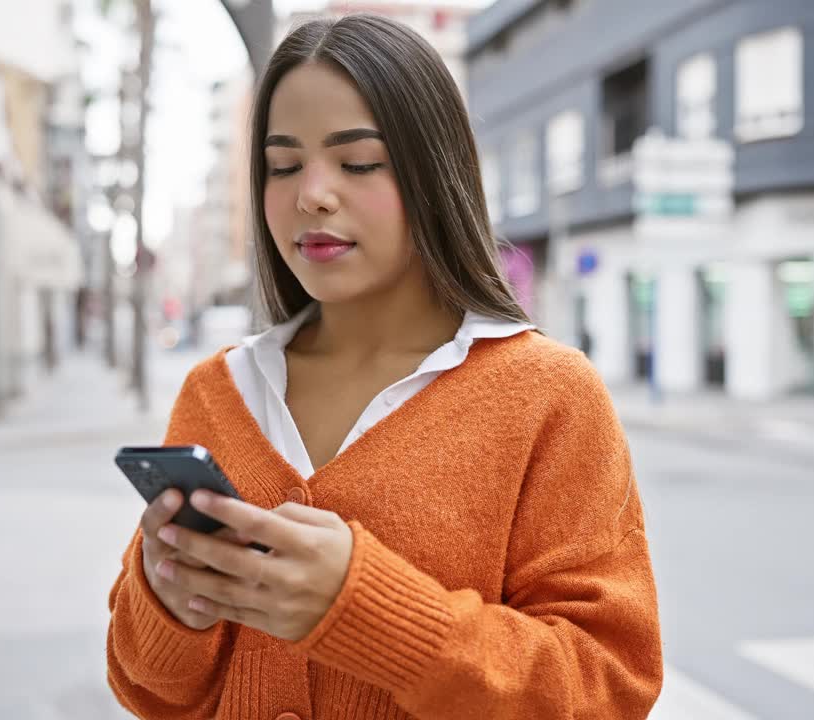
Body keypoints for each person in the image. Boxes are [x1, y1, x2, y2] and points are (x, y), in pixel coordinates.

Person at [106, 13, 662, 720]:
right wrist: (164, 595)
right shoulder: (218, 393)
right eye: (282, 166)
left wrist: (368, 612)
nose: (311, 193)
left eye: (358, 161)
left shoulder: (547, 394)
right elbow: (147, 692)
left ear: (434, 171)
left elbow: (609, 689)